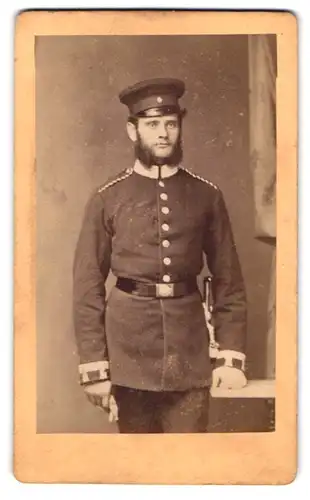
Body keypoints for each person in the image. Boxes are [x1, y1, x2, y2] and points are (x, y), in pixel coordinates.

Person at [73, 77, 247, 433]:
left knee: (187, 465)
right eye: (152, 124)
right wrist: (94, 366)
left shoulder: (206, 195)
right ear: (132, 131)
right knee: (140, 467)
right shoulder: (108, 198)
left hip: (191, 353)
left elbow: (229, 281)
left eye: (171, 123)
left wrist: (230, 359)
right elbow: (87, 286)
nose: (163, 133)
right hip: (128, 355)